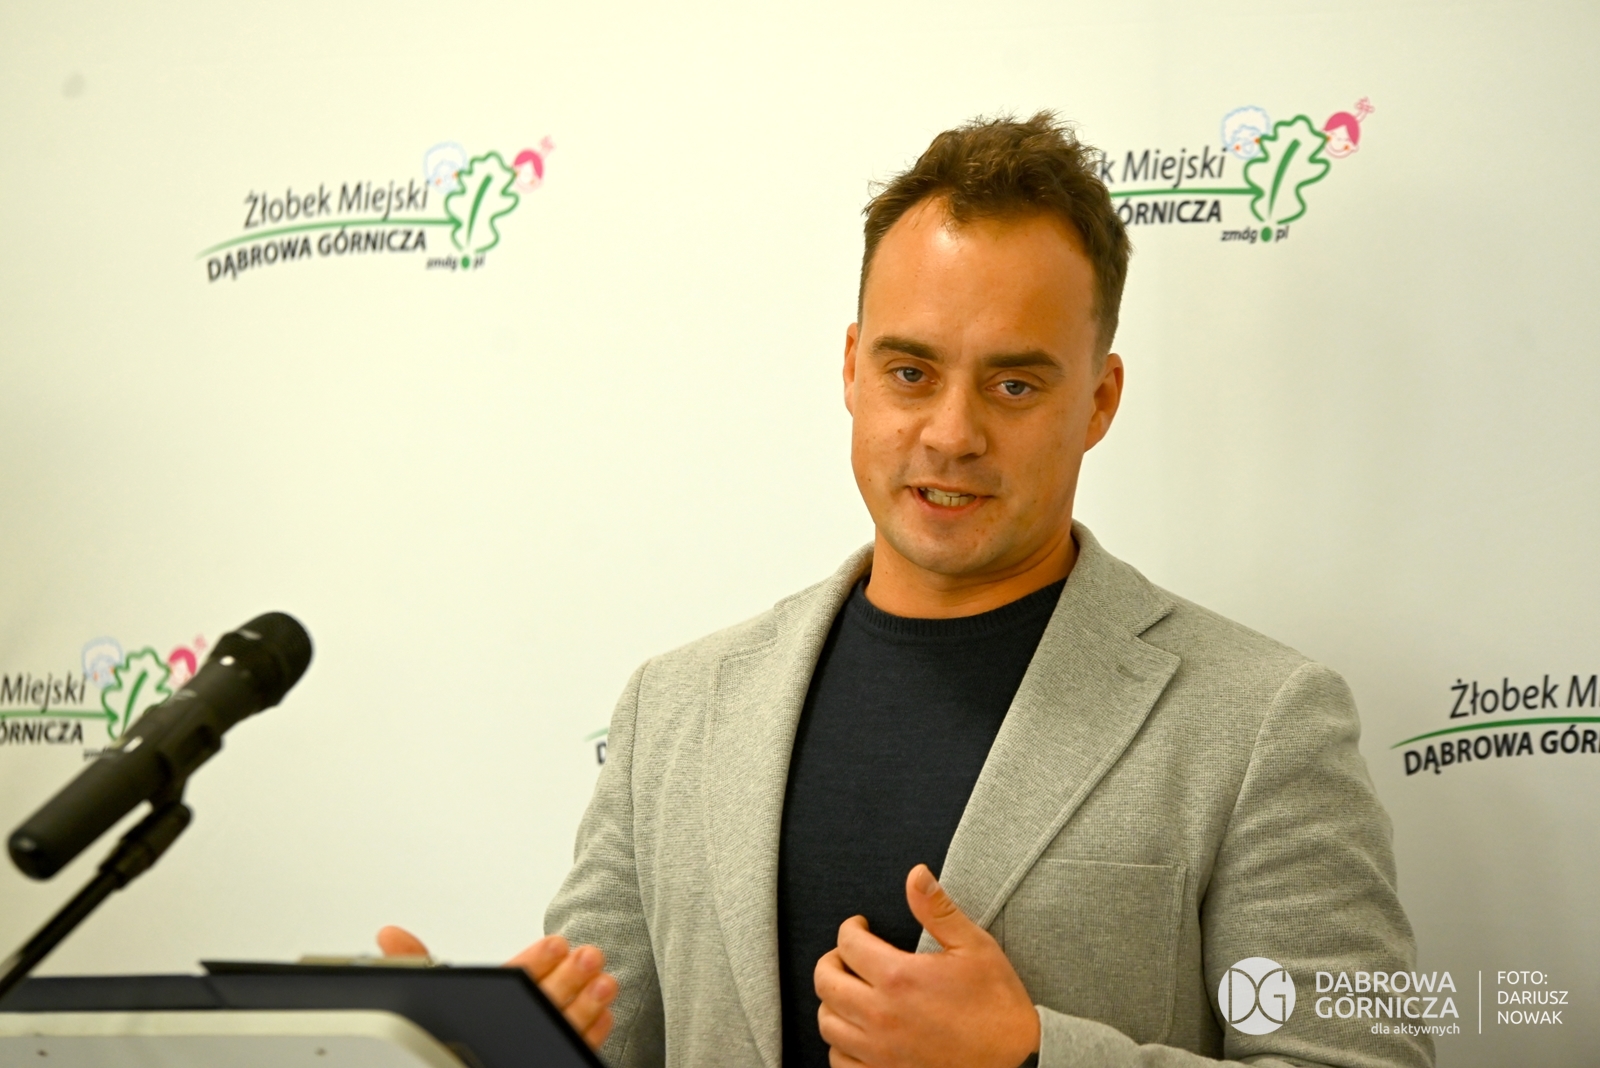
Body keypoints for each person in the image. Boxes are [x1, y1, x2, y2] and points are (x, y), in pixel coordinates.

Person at [382, 113, 1432, 1068]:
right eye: (910, 372)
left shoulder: (1258, 721)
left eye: (1014, 383)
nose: (951, 433)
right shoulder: (676, 709)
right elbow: (602, 1047)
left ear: (1099, 400)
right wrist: (470, 1053)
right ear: (852, 369)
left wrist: (1030, 1058)